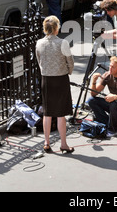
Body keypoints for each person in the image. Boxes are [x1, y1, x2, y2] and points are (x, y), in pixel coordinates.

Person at [35, 15, 75, 154]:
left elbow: (39, 60)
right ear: (57, 28)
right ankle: (63, 144)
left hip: (46, 78)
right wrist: (68, 71)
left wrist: (45, 71)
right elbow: (70, 61)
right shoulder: (63, 43)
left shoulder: (39, 43)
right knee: (60, 114)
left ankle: (46, 143)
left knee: (47, 112)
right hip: (60, 78)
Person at [87, 56, 117, 137]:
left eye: (113, 67)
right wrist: (94, 81)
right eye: (110, 66)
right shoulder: (107, 75)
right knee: (91, 100)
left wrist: (115, 97)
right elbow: (94, 94)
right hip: (115, 103)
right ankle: (106, 124)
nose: (110, 68)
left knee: (114, 103)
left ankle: (114, 130)